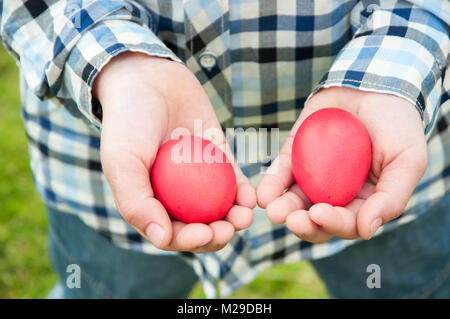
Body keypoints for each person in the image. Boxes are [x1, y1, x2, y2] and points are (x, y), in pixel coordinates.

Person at [1, 0, 449, 298]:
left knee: (413, 287)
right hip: (111, 168)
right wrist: (118, 66)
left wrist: (399, 61)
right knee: (103, 288)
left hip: (389, 166)